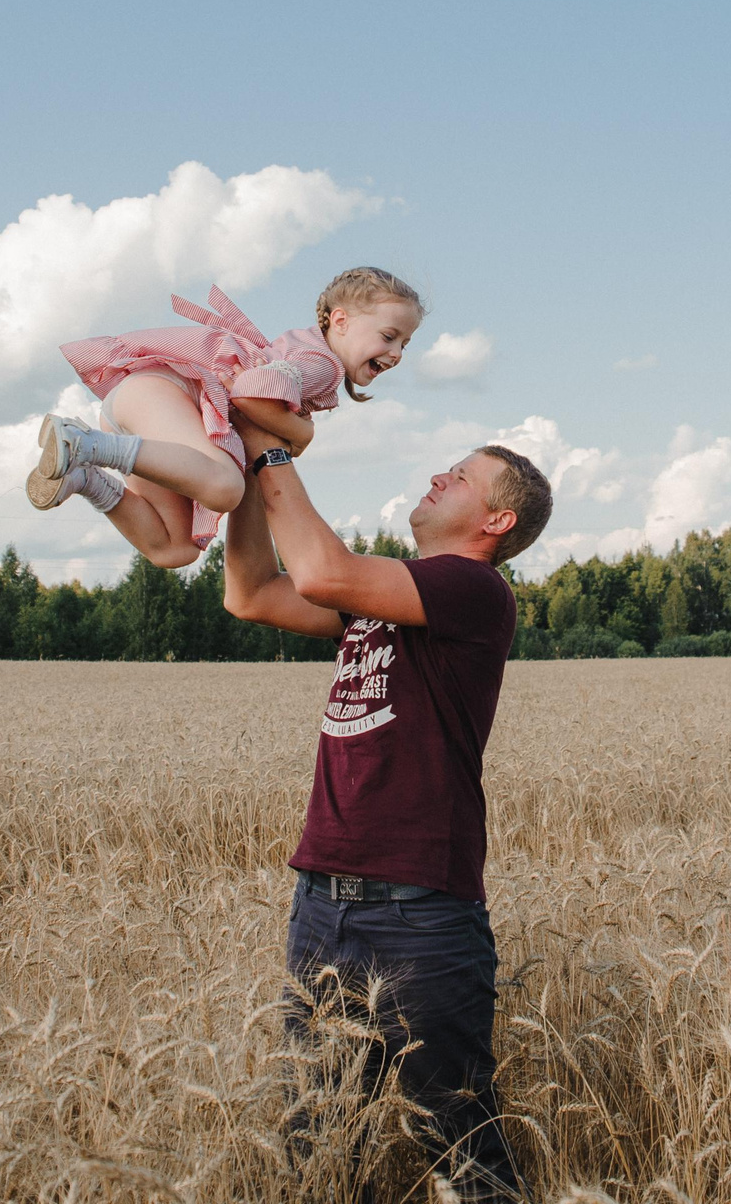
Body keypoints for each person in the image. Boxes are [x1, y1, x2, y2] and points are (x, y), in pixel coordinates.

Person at [220, 415, 554, 1202]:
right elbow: (252, 594)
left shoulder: (473, 589)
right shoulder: (392, 600)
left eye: (461, 477)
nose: (439, 478)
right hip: (322, 903)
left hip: (419, 915)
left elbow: (322, 571)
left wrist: (269, 445)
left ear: (496, 521)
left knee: (461, 1149)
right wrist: (238, 481)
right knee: (318, 1148)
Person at [26, 266, 426, 568]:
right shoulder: (323, 364)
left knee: (175, 549)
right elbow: (250, 391)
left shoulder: (303, 348)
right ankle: (85, 445)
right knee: (224, 487)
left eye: (405, 344)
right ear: (341, 321)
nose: (396, 354)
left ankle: (83, 478)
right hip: (163, 393)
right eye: (388, 336)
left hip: (143, 406)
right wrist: (303, 434)